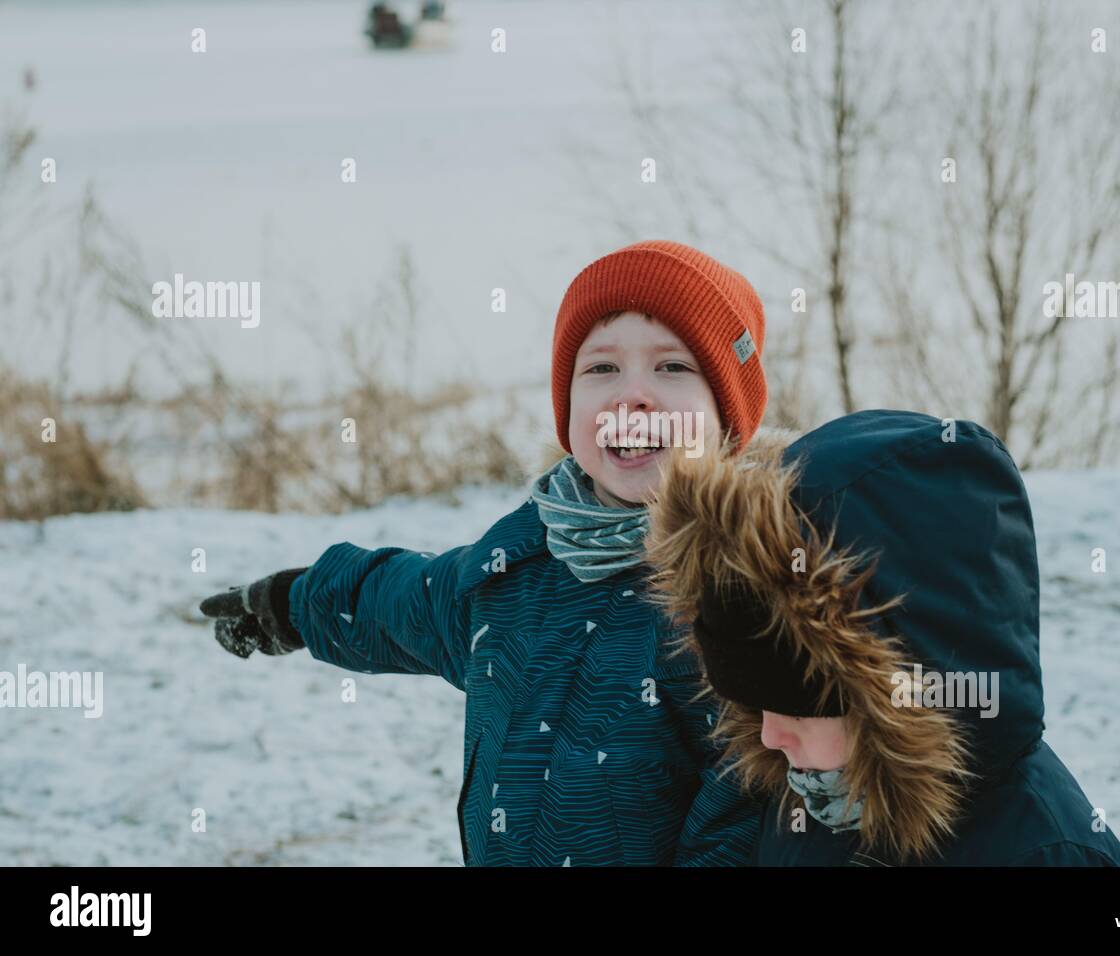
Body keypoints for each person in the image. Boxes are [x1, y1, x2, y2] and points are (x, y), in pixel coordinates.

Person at [199, 240, 769, 866]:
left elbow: (745, 825)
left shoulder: (740, 594)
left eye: (672, 368)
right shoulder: (520, 564)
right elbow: (406, 603)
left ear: (727, 416)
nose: (630, 397)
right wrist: (293, 603)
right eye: (601, 369)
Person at [644, 409, 1120, 865]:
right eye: (752, 703)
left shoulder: (1049, 853)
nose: (772, 736)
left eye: (796, 706)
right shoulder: (812, 802)